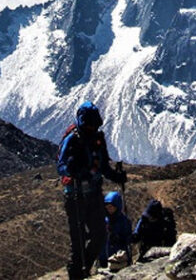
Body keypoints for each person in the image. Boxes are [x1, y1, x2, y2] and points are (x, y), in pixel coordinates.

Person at [57, 101, 127, 280]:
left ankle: (82, 269)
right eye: (89, 125)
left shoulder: (97, 139)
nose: (91, 128)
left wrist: (115, 176)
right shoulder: (72, 139)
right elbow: (61, 165)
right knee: (78, 241)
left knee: (100, 234)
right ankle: (77, 272)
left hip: (94, 194)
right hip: (75, 196)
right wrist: (72, 170)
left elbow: (103, 165)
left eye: (94, 125)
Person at [100, 190, 133, 270]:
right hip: (104, 257)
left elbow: (128, 237)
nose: (109, 210)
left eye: (111, 207)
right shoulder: (103, 221)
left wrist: (119, 238)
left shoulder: (124, 221)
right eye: (107, 208)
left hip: (119, 257)